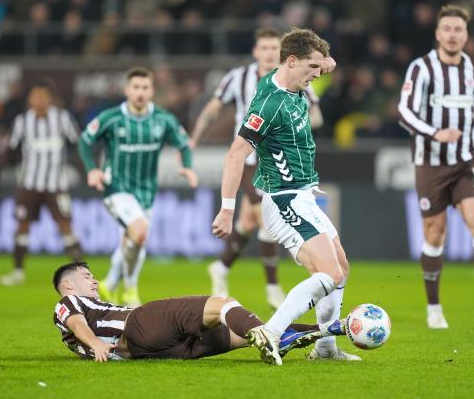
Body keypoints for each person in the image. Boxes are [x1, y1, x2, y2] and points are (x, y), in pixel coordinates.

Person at [212, 28, 359, 365]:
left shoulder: (290, 78)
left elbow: (323, 64)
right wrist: (226, 210)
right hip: (284, 199)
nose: (316, 75)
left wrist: (323, 61)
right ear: (291, 61)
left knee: (341, 269)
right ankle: (272, 332)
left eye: (317, 68)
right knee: (331, 275)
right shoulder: (269, 102)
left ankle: (324, 350)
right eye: (311, 68)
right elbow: (235, 155)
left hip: (302, 195)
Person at [397, 5, 474, 329]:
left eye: (459, 30)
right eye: (447, 29)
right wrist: (435, 133)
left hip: (466, 161)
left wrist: (467, 141)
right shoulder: (421, 68)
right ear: (438, 34)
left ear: (466, 35)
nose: (453, 35)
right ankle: (434, 308)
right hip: (430, 164)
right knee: (435, 234)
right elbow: (405, 113)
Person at [190, 28, 324, 310]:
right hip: (251, 160)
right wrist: (194, 138)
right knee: (264, 214)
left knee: (250, 220)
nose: (268, 53)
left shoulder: (296, 77)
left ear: (284, 54)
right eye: (263, 48)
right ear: (255, 51)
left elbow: (316, 116)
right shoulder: (239, 79)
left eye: (273, 48)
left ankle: (222, 267)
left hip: (278, 158)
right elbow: (213, 108)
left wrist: (293, 129)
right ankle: (273, 285)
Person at [52, 261, 345, 362]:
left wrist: (95, 345)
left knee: (245, 334)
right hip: (139, 324)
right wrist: (95, 345)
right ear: (68, 284)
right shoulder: (68, 303)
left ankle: (336, 329)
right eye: (87, 276)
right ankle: (272, 335)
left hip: (152, 352)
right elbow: (76, 321)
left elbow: (79, 329)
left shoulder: (94, 308)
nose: (95, 281)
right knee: (222, 303)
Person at [77, 67, 198, 307]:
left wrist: (187, 166)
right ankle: (130, 289)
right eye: (136, 87)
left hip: (146, 192)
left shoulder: (163, 119)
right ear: (126, 90)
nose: (140, 92)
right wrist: (92, 169)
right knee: (139, 231)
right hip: (116, 188)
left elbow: (184, 144)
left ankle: (109, 284)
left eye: (145, 87)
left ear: (152, 90)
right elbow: (84, 140)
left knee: (133, 240)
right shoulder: (111, 118)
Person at [0, 80, 83, 285]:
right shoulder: (22, 122)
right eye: (35, 96)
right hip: (29, 184)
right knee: (22, 226)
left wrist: (85, 170)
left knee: (66, 225)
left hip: (56, 184)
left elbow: (77, 144)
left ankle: (80, 277)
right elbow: (11, 150)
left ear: (50, 99)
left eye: (43, 96)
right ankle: (17, 272)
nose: (39, 100)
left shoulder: (62, 119)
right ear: (30, 99)